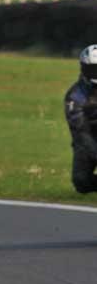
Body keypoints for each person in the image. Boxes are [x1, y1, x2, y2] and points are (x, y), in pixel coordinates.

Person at [65, 45, 97, 193]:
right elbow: (81, 132)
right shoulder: (75, 97)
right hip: (88, 136)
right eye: (94, 69)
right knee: (81, 181)